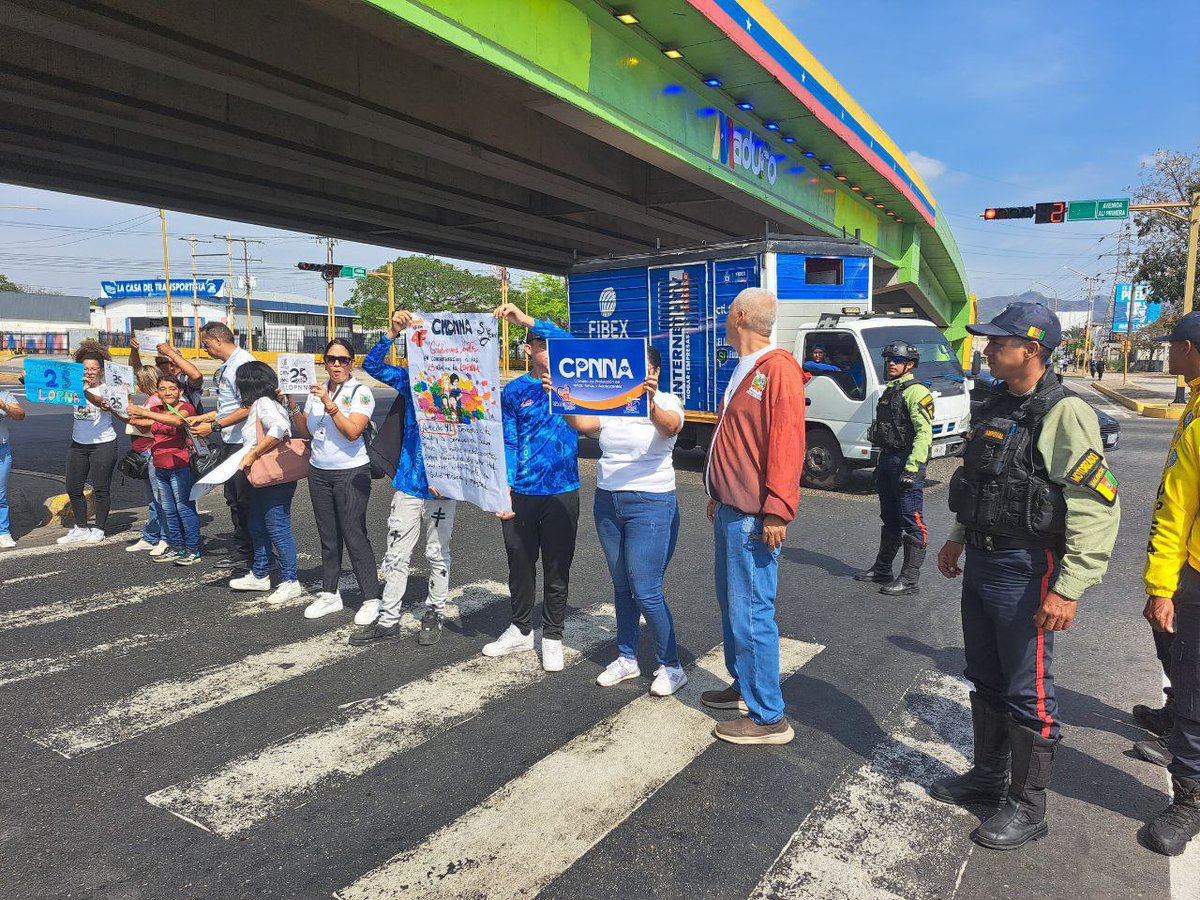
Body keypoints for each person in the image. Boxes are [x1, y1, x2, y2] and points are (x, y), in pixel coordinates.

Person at [931, 301, 1119, 851]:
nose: (987, 350)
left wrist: (1069, 587)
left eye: (997, 342)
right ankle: (988, 780)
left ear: (1031, 350)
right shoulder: (994, 404)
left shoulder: (1064, 412)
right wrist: (958, 538)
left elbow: (1095, 504)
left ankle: (1028, 806)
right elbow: (981, 482)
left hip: (1026, 569)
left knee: (1028, 689)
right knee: (984, 675)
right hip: (984, 560)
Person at [545, 346, 688, 696]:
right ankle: (627, 658)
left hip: (651, 503)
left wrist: (650, 403)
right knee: (622, 586)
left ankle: (671, 665)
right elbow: (583, 423)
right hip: (608, 501)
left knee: (646, 588)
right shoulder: (613, 403)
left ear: (654, 370)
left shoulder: (669, 401)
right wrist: (560, 398)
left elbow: (670, 429)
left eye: (644, 368)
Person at [701, 287, 806, 745]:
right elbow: (740, 439)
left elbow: (786, 442)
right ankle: (745, 686)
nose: (725, 319)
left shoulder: (776, 369)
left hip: (753, 517)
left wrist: (777, 510)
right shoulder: (746, 369)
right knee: (733, 605)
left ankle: (768, 717)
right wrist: (717, 489)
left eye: (728, 313)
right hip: (732, 507)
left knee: (752, 611)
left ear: (740, 316)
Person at [483, 303, 578, 672]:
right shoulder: (514, 391)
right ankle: (521, 630)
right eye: (540, 342)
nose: (549, 347)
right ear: (527, 349)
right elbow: (507, 440)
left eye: (550, 340)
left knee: (558, 566)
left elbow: (570, 341)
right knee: (519, 565)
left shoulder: (572, 383)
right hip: (521, 490)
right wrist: (502, 486)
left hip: (562, 489)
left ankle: (553, 635)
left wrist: (526, 320)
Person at [357, 310, 457, 647]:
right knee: (396, 552)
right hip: (408, 481)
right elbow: (371, 367)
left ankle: (435, 611)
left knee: (436, 551)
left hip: (443, 486)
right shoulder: (412, 378)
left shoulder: (466, 386)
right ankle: (388, 618)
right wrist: (391, 333)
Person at [1140, 311, 1200, 855]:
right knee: (1175, 651)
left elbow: (1178, 506)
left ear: (1187, 349)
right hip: (1190, 568)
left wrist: (1163, 584)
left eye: (1172, 348)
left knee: (1196, 685)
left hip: (1194, 572)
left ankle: (1191, 798)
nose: (1169, 356)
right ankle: (1174, 709)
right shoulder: (1196, 404)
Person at [286, 338, 381, 623]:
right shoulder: (316, 392)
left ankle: (371, 598)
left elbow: (353, 431)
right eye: (331, 359)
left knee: (354, 534)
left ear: (352, 363)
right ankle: (330, 594)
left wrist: (330, 404)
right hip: (319, 471)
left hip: (351, 472)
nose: (336, 364)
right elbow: (308, 431)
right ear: (324, 362)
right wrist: (292, 406)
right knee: (328, 536)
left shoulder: (361, 392)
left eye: (343, 360)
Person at [856, 341, 933, 595]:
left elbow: (924, 433)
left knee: (912, 521)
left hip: (906, 462)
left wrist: (913, 468)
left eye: (897, 360)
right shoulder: (890, 390)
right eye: (888, 359)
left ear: (909, 365)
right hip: (888, 460)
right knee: (889, 519)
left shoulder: (916, 391)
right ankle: (882, 569)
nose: (891, 363)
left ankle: (909, 580)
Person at [225, 361, 301, 603]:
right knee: (257, 523)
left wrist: (254, 453)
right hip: (261, 476)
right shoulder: (264, 403)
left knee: (277, 526)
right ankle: (260, 573)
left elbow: (280, 429)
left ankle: (290, 580)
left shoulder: (264, 404)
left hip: (273, 476)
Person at [186, 323, 255, 566]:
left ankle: (250, 554)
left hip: (243, 442)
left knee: (244, 500)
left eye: (205, 344)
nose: (204, 349)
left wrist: (213, 426)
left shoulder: (243, 364)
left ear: (217, 340)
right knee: (234, 498)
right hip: (230, 440)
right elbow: (228, 407)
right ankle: (245, 551)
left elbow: (249, 406)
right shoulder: (228, 366)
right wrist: (204, 418)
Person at [61, 340, 129, 544]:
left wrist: (84, 391)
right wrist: (28, 381)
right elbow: (48, 392)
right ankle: (81, 527)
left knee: (101, 488)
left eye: (94, 369)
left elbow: (105, 405)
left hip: (104, 444)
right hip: (78, 444)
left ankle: (99, 528)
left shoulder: (108, 390)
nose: (89, 372)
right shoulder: (73, 388)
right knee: (73, 487)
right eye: (85, 369)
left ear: (101, 371)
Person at [130, 376, 201, 565]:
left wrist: (142, 412)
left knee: (184, 508)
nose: (167, 392)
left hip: (180, 466)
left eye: (171, 388)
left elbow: (177, 421)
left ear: (180, 391)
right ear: (158, 393)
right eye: (163, 389)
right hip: (159, 465)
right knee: (168, 510)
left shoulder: (186, 408)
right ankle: (177, 547)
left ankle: (193, 549)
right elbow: (136, 421)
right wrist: (123, 406)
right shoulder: (156, 410)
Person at [125, 365, 170, 556]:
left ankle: (164, 537)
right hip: (145, 451)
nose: (137, 383)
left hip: (151, 451)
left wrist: (126, 404)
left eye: (139, 380)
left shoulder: (154, 401)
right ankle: (152, 536)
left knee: (158, 498)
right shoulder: (150, 399)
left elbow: (145, 428)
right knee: (152, 498)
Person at [128, 337, 205, 413]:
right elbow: (140, 372)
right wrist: (134, 349)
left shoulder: (185, 379)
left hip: (187, 422)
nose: (156, 365)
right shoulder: (162, 377)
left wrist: (170, 353)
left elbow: (196, 376)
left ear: (171, 364)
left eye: (159, 362)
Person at [0, 387, 25, 548]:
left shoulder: (4, 394)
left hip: (1, 451)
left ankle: (3, 532)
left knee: (0, 494)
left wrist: (4, 406)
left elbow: (20, 414)